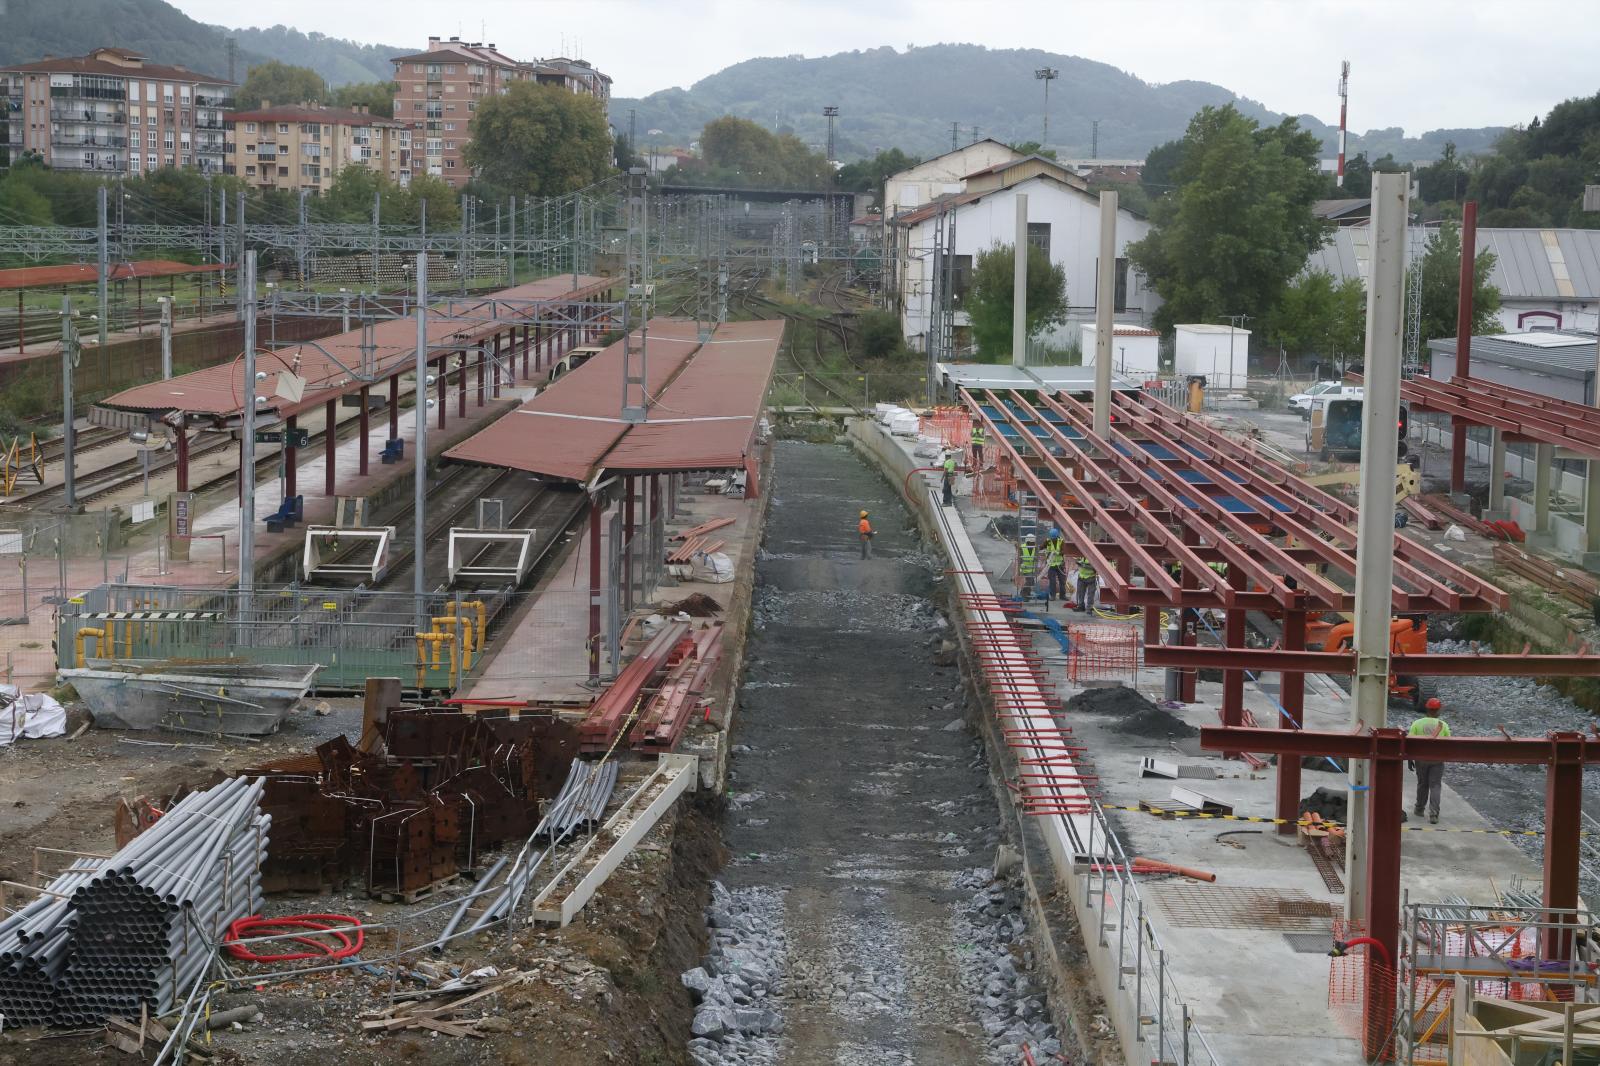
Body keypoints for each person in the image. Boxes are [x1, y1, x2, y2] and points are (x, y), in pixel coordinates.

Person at [1408, 698, 1451, 823]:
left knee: (1422, 784)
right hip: (1437, 760)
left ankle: (1419, 809)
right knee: (1435, 785)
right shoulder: (1443, 725)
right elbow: (1448, 743)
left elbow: (1410, 742)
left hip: (1420, 759)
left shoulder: (1417, 723)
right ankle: (1433, 814)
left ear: (1427, 709)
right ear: (1438, 710)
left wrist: (1410, 758)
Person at [1042, 529, 1067, 608]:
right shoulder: (1048, 541)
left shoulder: (1061, 541)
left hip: (1059, 564)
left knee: (1062, 581)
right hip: (1051, 564)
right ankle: (1053, 595)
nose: (1053, 539)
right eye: (1052, 538)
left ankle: (1062, 595)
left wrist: (1059, 552)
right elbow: (1041, 547)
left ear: (1057, 536)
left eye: (1054, 538)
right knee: (1052, 581)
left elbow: (1064, 551)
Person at [1018, 533, 1037, 599]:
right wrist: (1020, 567)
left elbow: (1035, 558)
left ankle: (1027, 593)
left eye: (1034, 543)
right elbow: (1019, 558)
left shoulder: (1034, 548)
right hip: (1025, 568)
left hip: (1031, 568)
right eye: (1032, 543)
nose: (1033, 544)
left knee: (1032, 582)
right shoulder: (1022, 547)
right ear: (1028, 542)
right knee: (1029, 581)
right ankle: (1023, 594)